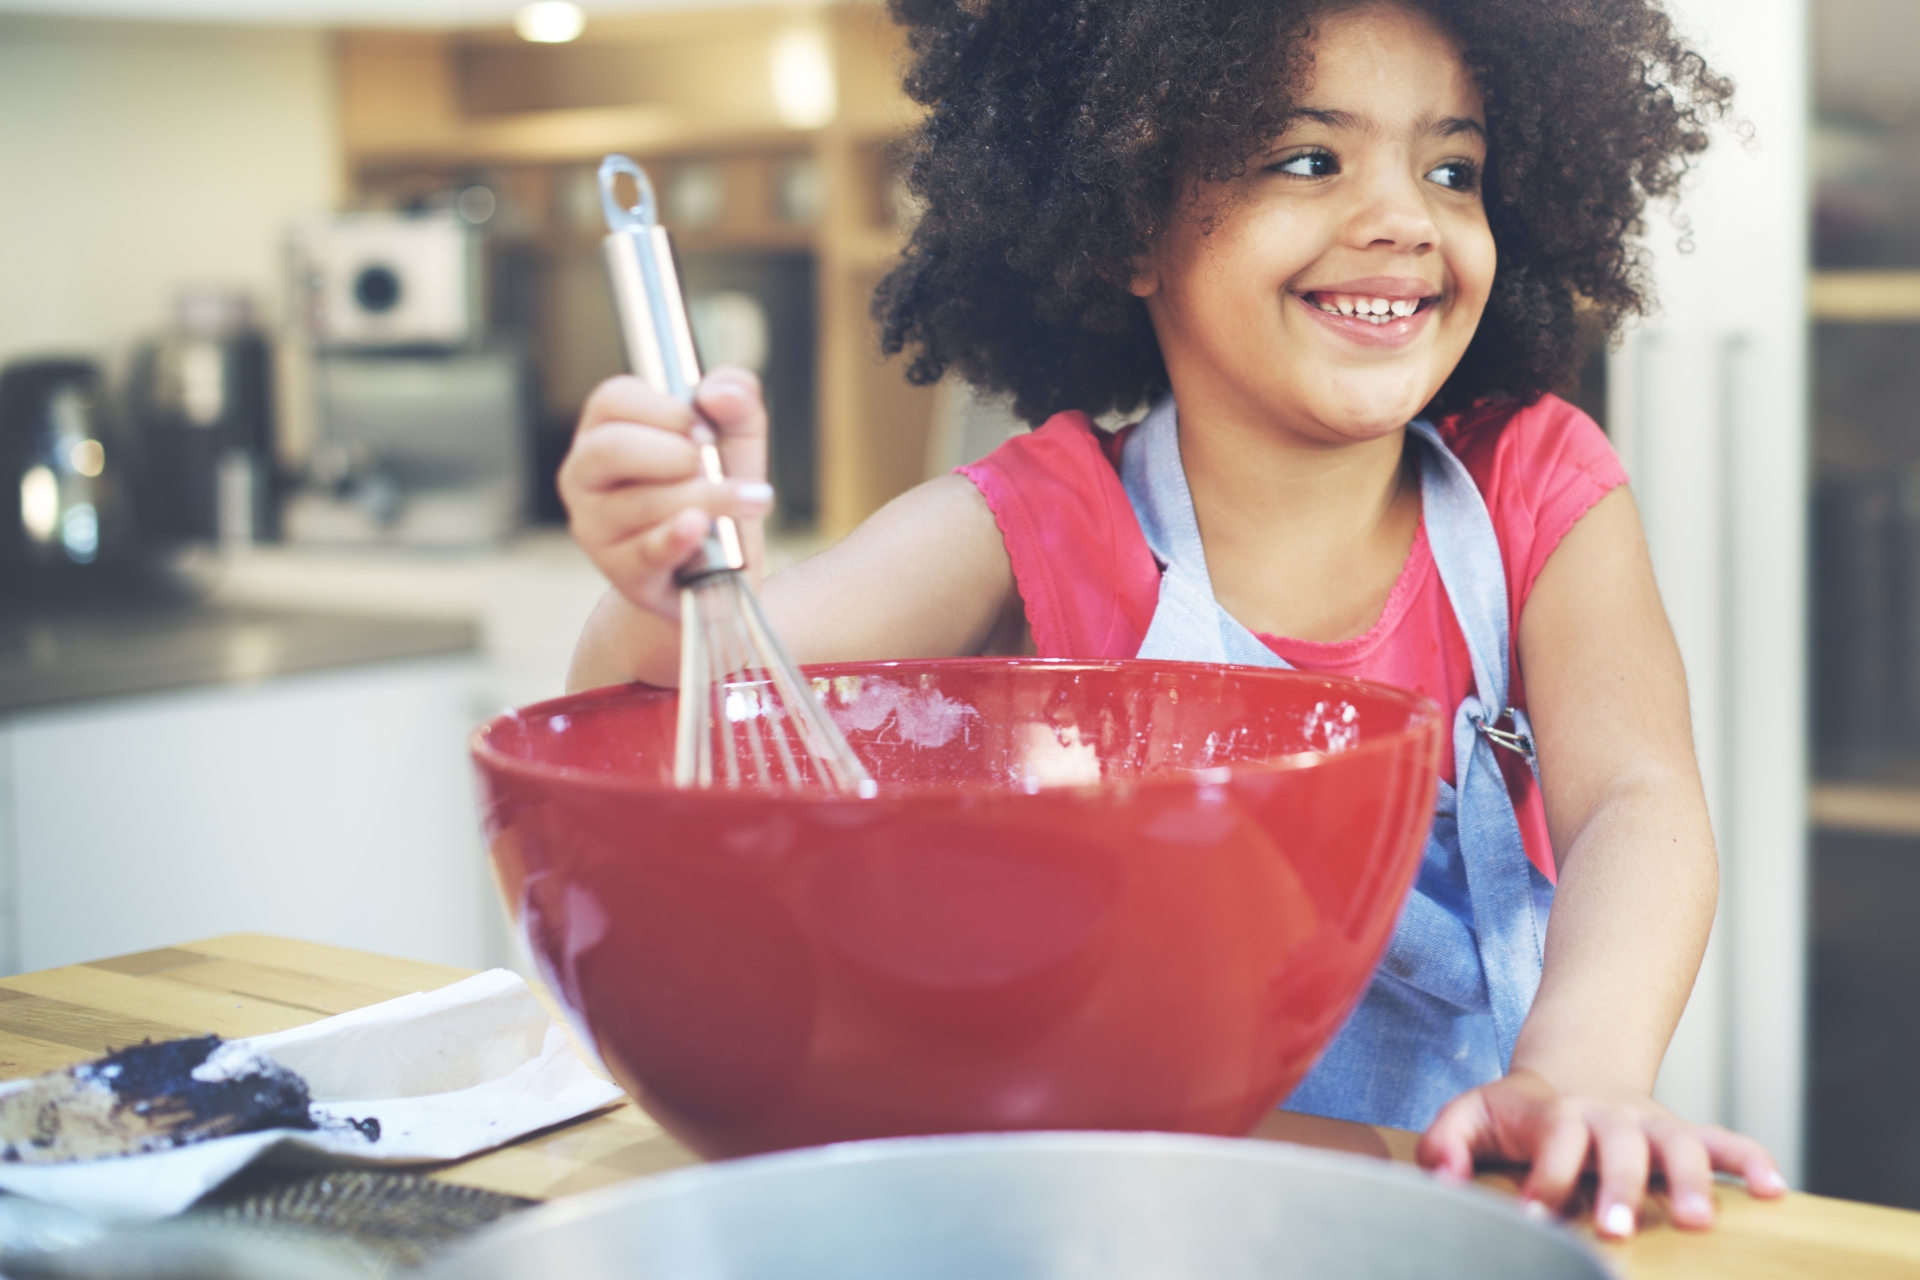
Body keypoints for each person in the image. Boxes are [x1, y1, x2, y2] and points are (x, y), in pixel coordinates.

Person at [558, 0, 1788, 1239]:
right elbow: (689, 693)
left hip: (1470, 1205)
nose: (1405, 218)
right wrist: (673, 579)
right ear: (1131, 222)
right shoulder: (1035, 520)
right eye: (1311, 159)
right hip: (1138, 1223)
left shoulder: (1536, 483)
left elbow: (1636, 796)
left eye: (1452, 169)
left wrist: (1581, 1069)